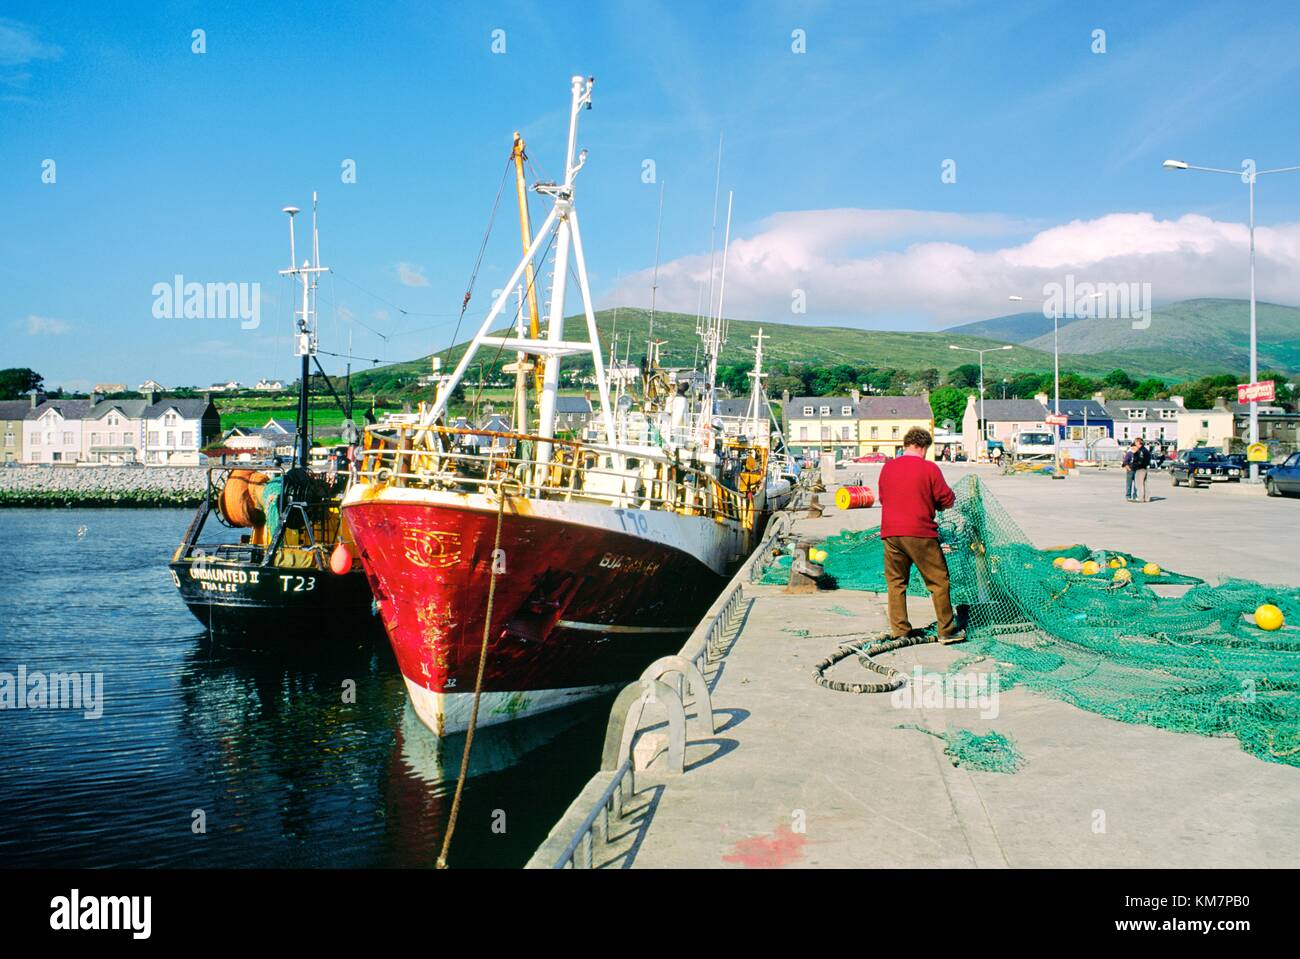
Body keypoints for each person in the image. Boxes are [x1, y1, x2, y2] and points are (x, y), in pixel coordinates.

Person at [877, 427, 964, 644]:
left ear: (906, 445)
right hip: (920, 533)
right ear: (923, 447)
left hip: (890, 533)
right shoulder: (929, 468)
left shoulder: (888, 467)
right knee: (938, 581)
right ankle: (947, 630)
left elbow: (883, 497)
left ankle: (900, 631)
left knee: (896, 582)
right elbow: (946, 499)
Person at [1131, 436, 1151, 502]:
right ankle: (1146, 498)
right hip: (1144, 468)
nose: (1135, 444)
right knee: (1144, 484)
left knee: (1139, 484)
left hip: (1140, 469)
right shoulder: (1145, 450)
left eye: (1135, 442)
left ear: (1138, 442)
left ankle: (1141, 498)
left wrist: (1134, 466)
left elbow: (1140, 460)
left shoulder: (1141, 451)